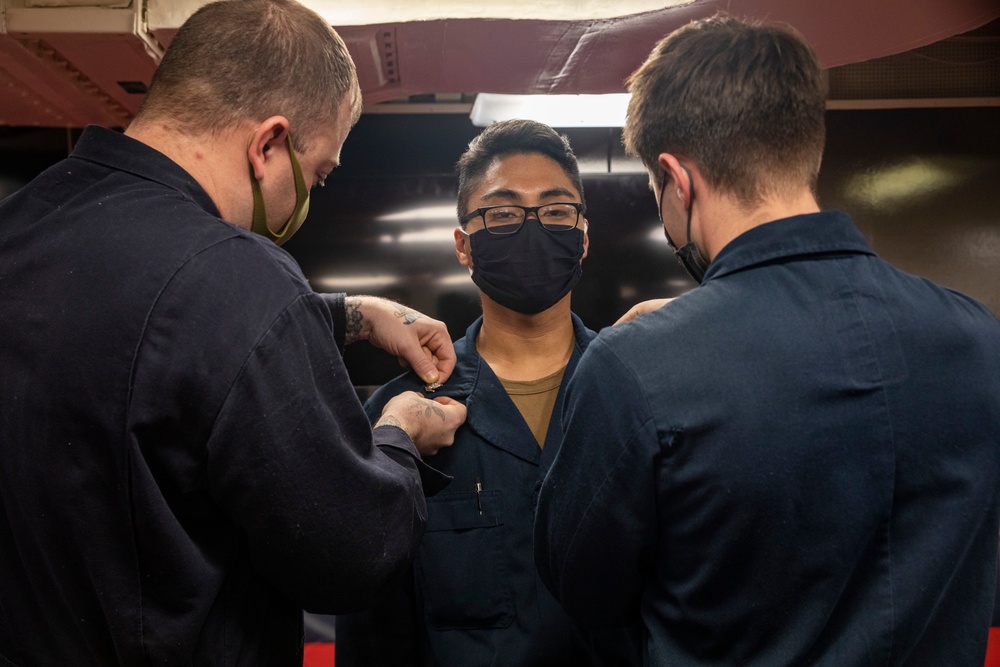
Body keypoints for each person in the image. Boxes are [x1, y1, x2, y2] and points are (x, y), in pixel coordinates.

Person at [0, 0, 467, 664]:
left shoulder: (21, 224)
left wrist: (348, 313)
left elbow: (137, 337)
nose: (313, 195)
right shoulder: (244, 279)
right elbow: (351, 551)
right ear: (268, 144)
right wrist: (398, 433)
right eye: (321, 174)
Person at [534, 14, 1000, 666]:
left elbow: (582, 591)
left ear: (677, 179)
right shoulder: (979, 342)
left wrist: (665, 346)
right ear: (804, 148)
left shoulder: (633, 370)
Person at [336, 119, 639, 666]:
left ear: (584, 237)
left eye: (554, 211)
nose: (532, 227)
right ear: (463, 246)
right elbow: (372, 628)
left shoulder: (641, 395)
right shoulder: (399, 417)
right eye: (501, 214)